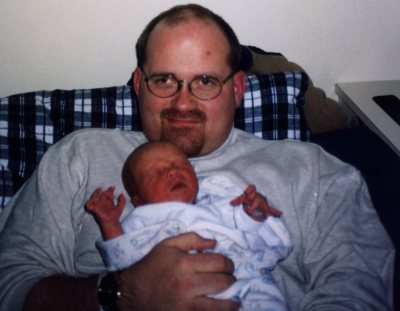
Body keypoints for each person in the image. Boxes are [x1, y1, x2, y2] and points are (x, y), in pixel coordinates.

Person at [0, 3, 394, 311]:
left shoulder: (314, 171)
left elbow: (361, 291)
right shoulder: (78, 156)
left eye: (205, 81)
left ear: (237, 89)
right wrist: (116, 294)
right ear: (139, 83)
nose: (182, 102)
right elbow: (10, 286)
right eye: (164, 79)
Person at [85, 141, 292, 310]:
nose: (172, 172)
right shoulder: (141, 219)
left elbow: (244, 228)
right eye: (157, 172)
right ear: (138, 201)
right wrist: (110, 223)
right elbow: (124, 262)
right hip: (171, 298)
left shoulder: (215, 204)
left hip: (241, 280)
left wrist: (253, 211)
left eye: (180, 164)